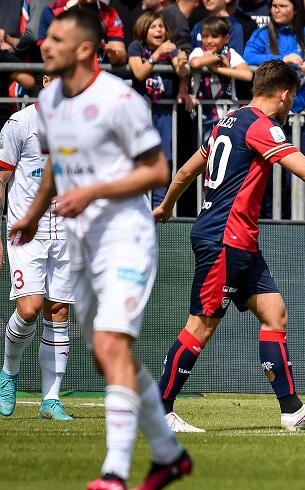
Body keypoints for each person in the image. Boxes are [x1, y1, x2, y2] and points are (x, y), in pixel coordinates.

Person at [152, 59, 305, 433]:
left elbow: (186, 170)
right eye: (293, 99)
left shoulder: (228, 120)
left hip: (237, 239)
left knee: (275, 314)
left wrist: (166, 205)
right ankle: (160, 410)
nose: (292, 107)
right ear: (284, 94)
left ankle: (292, 410)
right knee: (200, 326)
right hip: (226, 238)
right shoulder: (260, 126)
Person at [9, 8, 191, 489]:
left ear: (85, 49)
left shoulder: (119, 100)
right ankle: (170, 457)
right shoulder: (50, 100)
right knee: (110, 356)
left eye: (55, 38)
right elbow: (57, 161)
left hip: (125, 238)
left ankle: (114, 472)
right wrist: (32, 213)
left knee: (111, 345)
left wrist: (91, 192)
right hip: (79, 241)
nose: (44, 45)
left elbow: (156, 170)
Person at [0, 74, 75, 422]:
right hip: (26, 229)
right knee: (29, 309)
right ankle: (9, 371)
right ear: (46, 80)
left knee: (58, 310)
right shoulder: (19, 124)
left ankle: (51, 398)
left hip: (67, 229)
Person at [128, 11, 190, 209]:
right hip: (141, 113)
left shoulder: (170, 48)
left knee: (165, 159)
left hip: (164, 113)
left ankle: (158, 207)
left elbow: (181, 70)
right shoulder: (136, 46)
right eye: (153, 27)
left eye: (161, 27)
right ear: (144, 29)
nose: (158, 30)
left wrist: (180, 64)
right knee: (139, 159)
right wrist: (157, 55)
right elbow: (139, 72)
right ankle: (137, 206)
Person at [243, 0, 305, 114]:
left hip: (301, 112)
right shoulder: (262, 34)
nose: (277, 9)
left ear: (295, 10)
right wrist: (282, 59)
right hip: (268, 112)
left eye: (283, 6)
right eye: (274, 6)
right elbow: (248, 57)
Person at [189, 16, 253, 141]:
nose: (208, 41)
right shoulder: (198, 51)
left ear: (226, 38)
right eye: (205, 36)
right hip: (205, 114)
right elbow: (195, 63)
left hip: (228, 114)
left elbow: (247, 75)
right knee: (206, 152)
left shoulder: (231, 53)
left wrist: (218, 69)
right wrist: (216, 58)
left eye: (214, 36)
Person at [38, 0, 128, 65]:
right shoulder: (53, 10)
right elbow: (47, 53)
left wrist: (113, 54)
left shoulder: (109, 12)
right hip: (63, 80)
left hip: (99, 81)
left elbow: (120, 54)